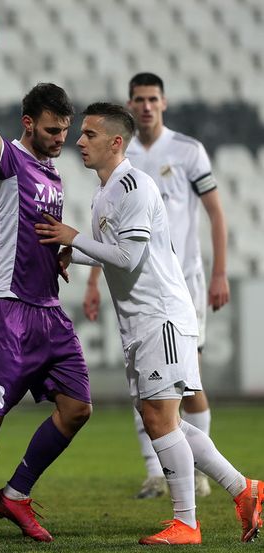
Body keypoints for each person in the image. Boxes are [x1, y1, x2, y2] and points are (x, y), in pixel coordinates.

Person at [36, 101, 263, 545]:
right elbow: (117, 256)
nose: (79, 142)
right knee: (160, 417)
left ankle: (187, 523)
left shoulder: (135, 186)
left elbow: (130, 256)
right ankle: (245, 490)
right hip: (141, 322)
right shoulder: (105, 192)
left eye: (90, 135)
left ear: (116, 142)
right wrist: (75, 253)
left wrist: (73, 237)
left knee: (160, 418)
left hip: (161, 317)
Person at [0, 12, 92, 548]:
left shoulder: (55, 175)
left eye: (66, 130)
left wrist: (58, 254)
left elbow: (38, 233)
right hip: (6, 307)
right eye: (53, 129)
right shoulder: (9, 160)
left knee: (77, 408)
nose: (61, 139)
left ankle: (14, 494)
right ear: (28, 122)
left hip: (47, 309)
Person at [83, 72, 230, 499]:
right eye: (138, 99)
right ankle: (160, 471)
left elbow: (215, 212)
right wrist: (92, 278)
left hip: (176, 282)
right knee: (150, 393)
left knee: (183, 388)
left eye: (152, 99)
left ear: (163, 103)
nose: (146, 106)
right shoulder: (115, 170)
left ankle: (193, 484)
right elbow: (112, 239)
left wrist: (218, 272)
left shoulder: (186, 151)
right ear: (130, 106)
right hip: (135, 284)